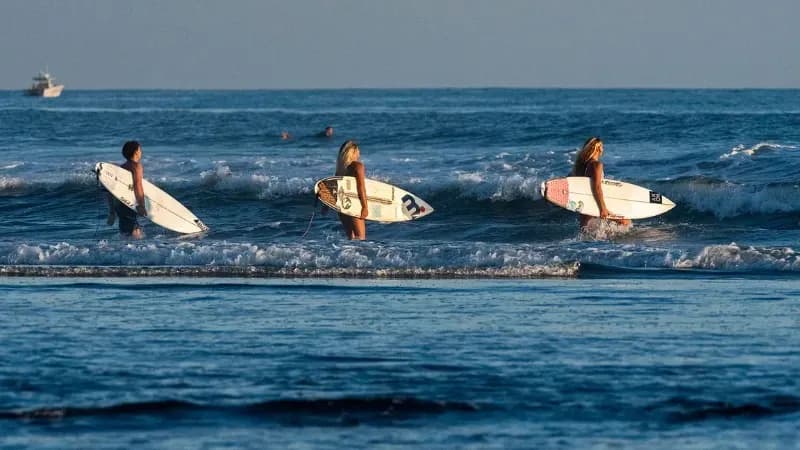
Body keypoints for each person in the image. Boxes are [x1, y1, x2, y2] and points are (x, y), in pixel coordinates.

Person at [571, 137, 631, 229]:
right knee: (626, 221)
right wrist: (603, 208)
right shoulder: (596, 165)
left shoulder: (582, 166)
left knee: (586, 232)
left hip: (586, 206)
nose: (603, 149)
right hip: (594, 203)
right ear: (598, 148)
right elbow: (597, 187)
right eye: (602, 146)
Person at [106, 140, 147, 239]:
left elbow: (111, 189)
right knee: (135, 232)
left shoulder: (122, 168)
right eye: (140, 150)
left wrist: (112, 211)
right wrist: (141, 205)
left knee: (124, 233)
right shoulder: (136, 166)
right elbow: (138, 185)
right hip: (129, 204)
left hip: (119, 204)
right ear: (136, 152)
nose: (141, 152)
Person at [335, 140, 368, 240]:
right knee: (360, 238)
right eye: (358, 151)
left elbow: (336, 187)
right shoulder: (358, 166)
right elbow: (361, 187)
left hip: (342, 206)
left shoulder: (340, 169)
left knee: (351, 238)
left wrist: (326, 206)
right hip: (354, 205)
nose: (359, 154)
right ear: (353, 152)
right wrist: (364, 207)